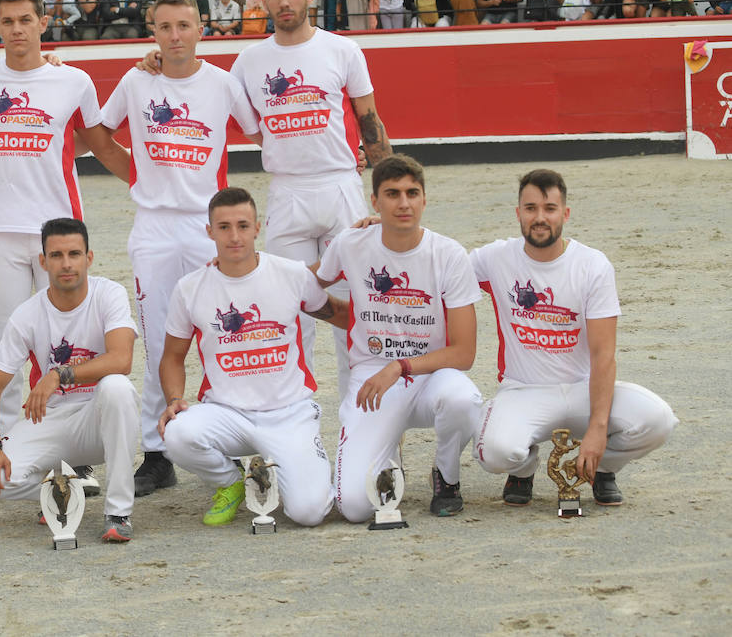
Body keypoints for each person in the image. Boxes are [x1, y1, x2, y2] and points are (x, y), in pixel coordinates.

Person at [96, 0, 261, 496]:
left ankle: (235, 436)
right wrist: (138, 177)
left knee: (225, 333)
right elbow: (99, 135)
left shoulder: (224, 83)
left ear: (201, 29)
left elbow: (261, 131)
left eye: (184, 26)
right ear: (154, 32)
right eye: (165, 27)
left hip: (209, 226)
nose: (174, 36)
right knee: (158, 343)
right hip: (154, 228)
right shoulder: (137, 79)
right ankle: (158, 451)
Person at [0, 0, 128, 438]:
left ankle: (76, 446)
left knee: (67, 346)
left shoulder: (73, 81)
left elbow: (103, 146)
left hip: (58, 236)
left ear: (43, 22)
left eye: (26, 20)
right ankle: (15, 445)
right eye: (8, 21)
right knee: (8, 347)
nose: (17, 29)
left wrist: (152, 184)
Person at [227, 0, 393, 399]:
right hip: (287, 193)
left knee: (354, 312)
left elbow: (370, 122)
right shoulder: (247, 63)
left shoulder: (343, 49)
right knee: (290, 315)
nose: (284, 2)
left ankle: (363, 427)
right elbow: (260, 132)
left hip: (342, 186)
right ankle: (294, 425)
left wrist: (389, 198)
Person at [472, 169, 678, 507]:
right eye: (531, 208)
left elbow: (603, 355)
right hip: (524, 389)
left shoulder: (592, 265)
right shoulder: (494, 259)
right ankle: (523, 470)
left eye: (550, 208)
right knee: (493, 453)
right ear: (518, 213)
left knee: (658, 421)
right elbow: (437, 266)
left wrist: (597, 429)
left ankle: (601, 468)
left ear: (565, 214)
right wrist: (388, 230)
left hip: (585, 389)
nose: (540, 218)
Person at [158, 187, 344, 528]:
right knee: (176, 433)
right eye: (224, 227)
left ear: (258, 228)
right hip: (228, 414)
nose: (234, 236)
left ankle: (295, 465)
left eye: (243, 226)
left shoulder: (293, 274)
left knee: (308, 513)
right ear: (209, 231)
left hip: (289, 413)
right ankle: (229, 482)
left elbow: (340, 315)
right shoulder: (190, 288)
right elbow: (172, 356)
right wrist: (173, 399)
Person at [314, 155, 483, 522]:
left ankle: (446, 476)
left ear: (424, 200)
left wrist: (401, 366)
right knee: (355, 507)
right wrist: (247, 268)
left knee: (463, 399)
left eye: (412, 193)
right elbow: (306, 283)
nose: (403, 203)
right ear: (374, 202)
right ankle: (387, 450)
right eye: (392, 194)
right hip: (373, 379)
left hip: (431, 375)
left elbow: (465, 353)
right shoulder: (351, 242)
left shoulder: (449, 254)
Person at [0, 218, 140, 543]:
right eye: (57, 255)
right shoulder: (27, 313)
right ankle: (60, 487)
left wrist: (59, 374)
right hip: (51, 421)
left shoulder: (109, 294)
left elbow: (122, 360)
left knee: (117, 388)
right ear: (43, 262)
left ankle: (118, 511)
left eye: (74, 254)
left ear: (88, 258)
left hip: (98, 417)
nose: (66, 263)